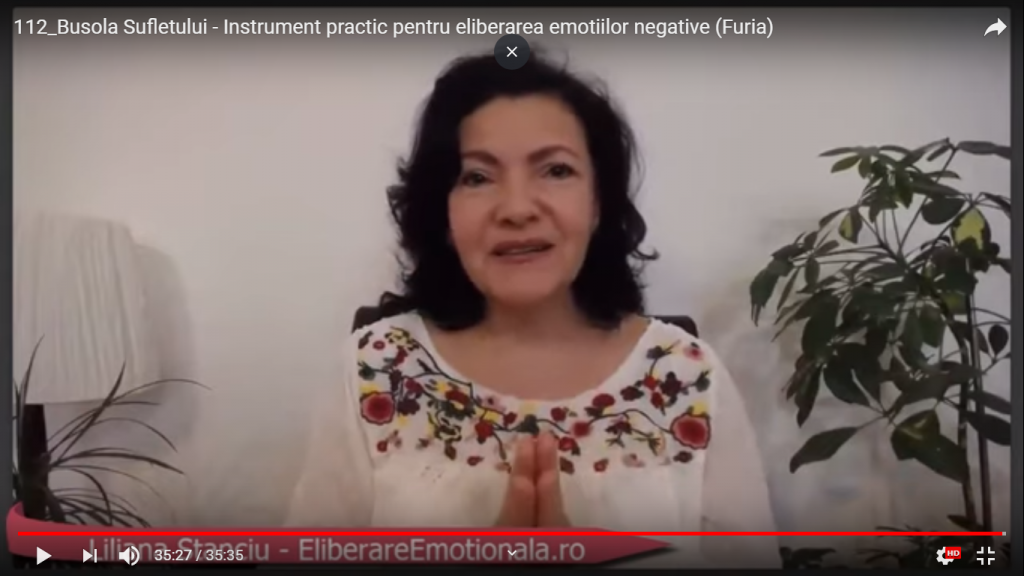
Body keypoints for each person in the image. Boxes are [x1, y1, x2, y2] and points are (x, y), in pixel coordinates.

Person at [286, 51, 780, 568]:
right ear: (443, 211)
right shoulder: (374, 369)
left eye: (556, 170)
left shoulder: (688, 375)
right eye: (477, 177)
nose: (517, 208)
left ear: (598, 202)